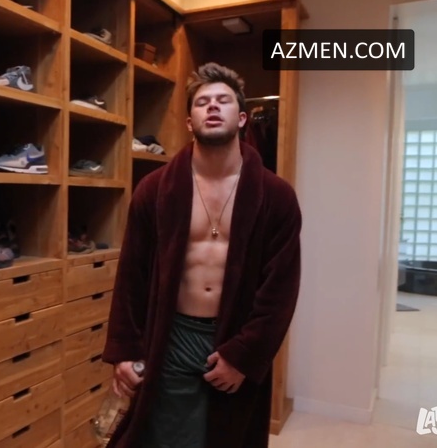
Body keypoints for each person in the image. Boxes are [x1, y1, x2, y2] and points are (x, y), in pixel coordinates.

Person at [101, 62, 302, 448]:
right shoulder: (154, 190)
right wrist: (125, 350)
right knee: (164, 437)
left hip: (234, 337)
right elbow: (131, 277)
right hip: (171, 334)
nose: (212, 106)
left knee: (228, 437)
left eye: (223, 100)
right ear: (189, 122)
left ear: (241, 118)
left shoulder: (276, 197)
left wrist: (244, 355)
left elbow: (280, 290)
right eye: (202, 102)